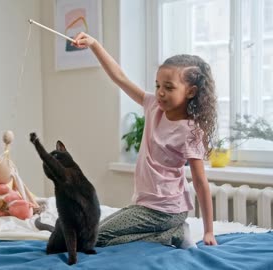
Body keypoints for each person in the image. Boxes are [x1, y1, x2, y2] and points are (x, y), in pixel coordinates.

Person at [72, 33, 218, 248]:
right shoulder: (153, 106)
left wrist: (208, 231)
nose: (160, 93)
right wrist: (94, 45)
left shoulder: (190, 131)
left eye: (169, 87)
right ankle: (168, 234)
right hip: (146, 205)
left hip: (167, 210)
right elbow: (120, 77)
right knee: (91, 232)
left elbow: (200, 182)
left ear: (191, 92)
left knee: (94, 238)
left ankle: (171, 234)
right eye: (158, 85)